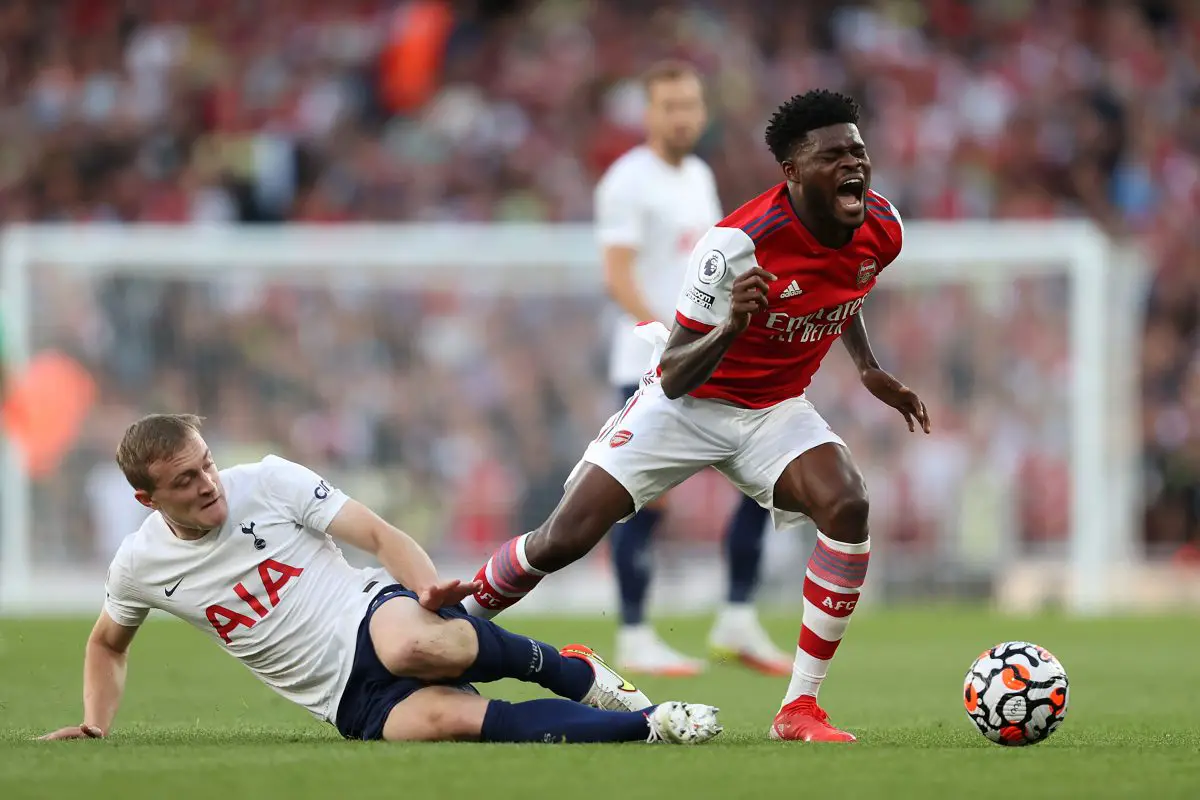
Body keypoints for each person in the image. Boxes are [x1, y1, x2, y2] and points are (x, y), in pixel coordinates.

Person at [462, 90, 930, 743]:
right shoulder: (735, 245)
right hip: (686, 405)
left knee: (848, 506)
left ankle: (798, 709)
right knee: (560, 540)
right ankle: (449, 625)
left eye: (858, 150)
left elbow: (844, 287)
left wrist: (868, 366)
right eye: (833, 155)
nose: (854, 163)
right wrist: (734, 325)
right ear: (792, 174)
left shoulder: (884, 228)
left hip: (772, 411)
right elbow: (677, 374)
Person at [39, 414, 722, 745]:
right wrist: (95, 725)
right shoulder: (139, 565)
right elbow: (107, 644)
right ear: (147, 500)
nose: (208, 484)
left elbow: (377, 535)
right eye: (186, 481)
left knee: (413, 646)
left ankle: (568, 671)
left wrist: (427, 594)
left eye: (207, 464)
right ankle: (649, 728)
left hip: (369, 615)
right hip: (346, 703)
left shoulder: (267, 482)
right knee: (453, 721)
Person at [593, 59, 789, 677]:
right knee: (641, 501)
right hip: (651, 362)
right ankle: (633, 634)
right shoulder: (627, 181)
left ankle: (736, 619)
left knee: (769, 476)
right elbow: (618, 274)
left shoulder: (699, 177)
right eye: (669, 106)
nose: (682, 117)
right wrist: (666, 338)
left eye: (689, 105)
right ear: (650, 114)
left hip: (709, 358)